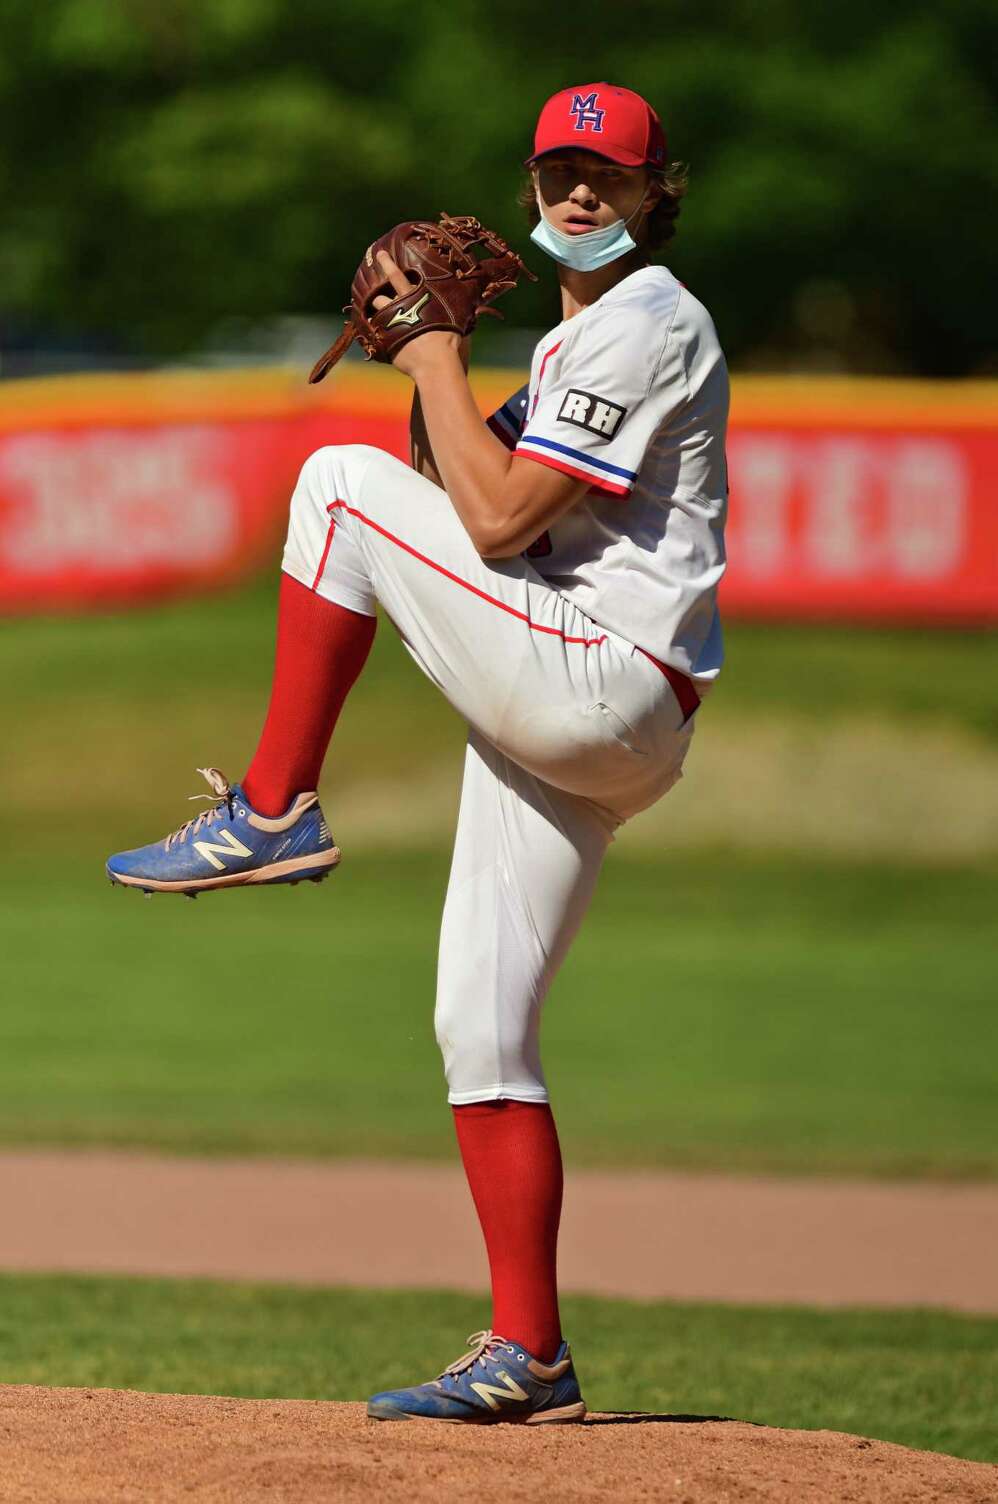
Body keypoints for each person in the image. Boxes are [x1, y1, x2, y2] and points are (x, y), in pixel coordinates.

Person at [107, 82, 729, 1424]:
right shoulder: (579, 343)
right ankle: (531, 1355)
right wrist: (434, 359)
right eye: (557, 172)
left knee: (331, 489)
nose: (576, 193)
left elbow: (494, 526)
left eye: (604, 176)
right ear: (528, 188)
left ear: (652, 191)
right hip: (583, 708)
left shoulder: (646, 321)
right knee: (479, 1030)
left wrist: (436, 355)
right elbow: (460, 480)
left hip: (597, 676)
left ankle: (272, 809)